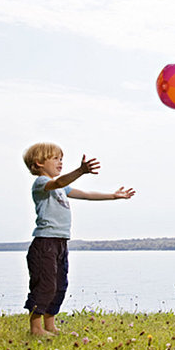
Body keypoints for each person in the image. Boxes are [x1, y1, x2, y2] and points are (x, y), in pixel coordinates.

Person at [22, 142, 135, 336]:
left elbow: (86, 194)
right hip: (45, 243)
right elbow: (58, 182)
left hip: (60, 242)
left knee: (59, 285)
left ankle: (50, 325)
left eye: (61, 159)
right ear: (39, 162)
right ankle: (36, 328)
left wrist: (113, 196)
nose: (60, 162)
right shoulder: (42, 183)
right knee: (45, 285)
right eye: (56, 158)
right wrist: (81, 170)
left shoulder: (62, 189)